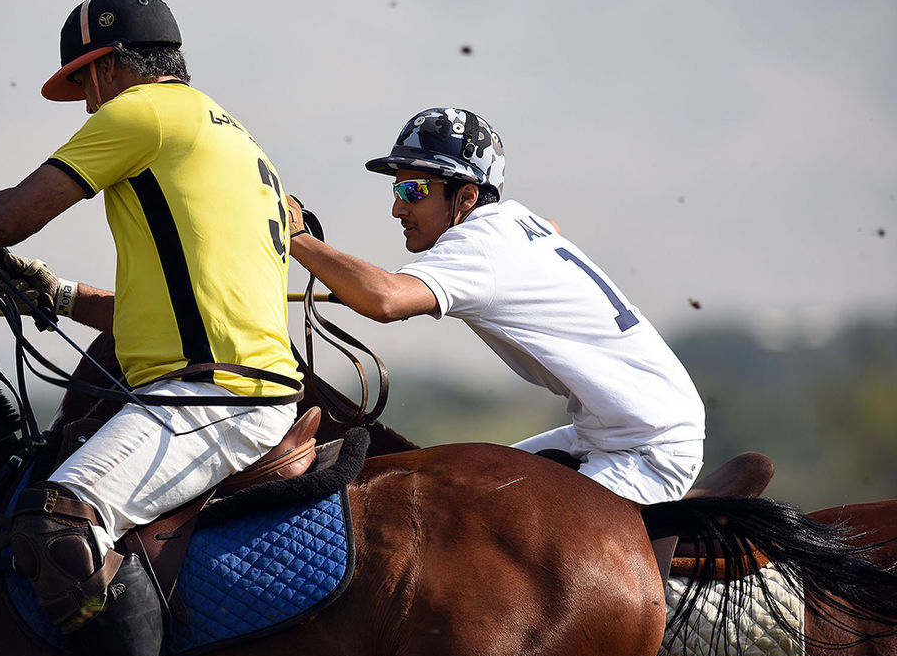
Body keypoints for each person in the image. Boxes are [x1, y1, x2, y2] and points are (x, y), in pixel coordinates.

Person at [0, 0, 301, 656]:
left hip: (214, 398)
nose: (89, 107)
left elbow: (12, 218)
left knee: (53, 520)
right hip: (242, 385)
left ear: (104, 69)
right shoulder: (232, 132)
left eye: (84, 88)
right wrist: (60, 294)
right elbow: (171, 304)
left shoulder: (138, 113)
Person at [286, 106, 704, 505]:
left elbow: (383, 300)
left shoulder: (480, 247)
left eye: (413, 190)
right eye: (397, 189)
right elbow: (543, 238)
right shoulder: (516, 222)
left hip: (647, 449)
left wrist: (298, 237)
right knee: (450, 499)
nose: (398, 207)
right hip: (601, 433)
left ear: (466, 197)